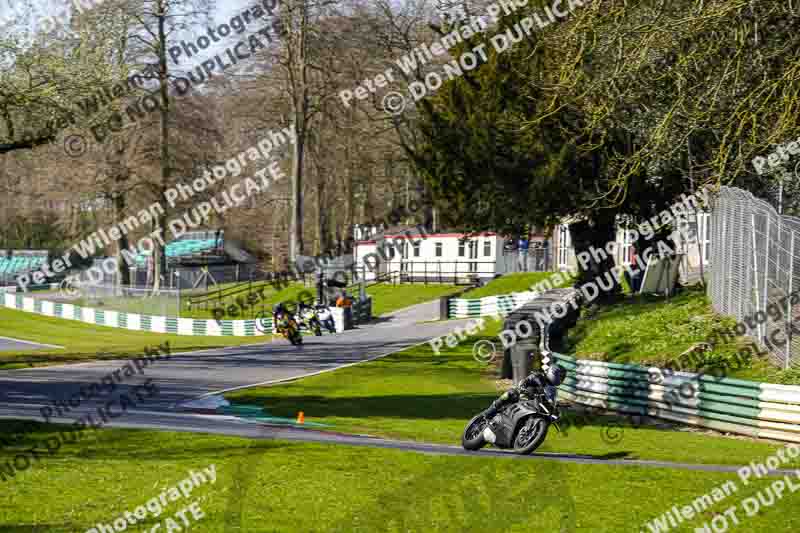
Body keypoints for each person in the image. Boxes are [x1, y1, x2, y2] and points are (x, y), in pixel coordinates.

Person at [483, 364, 567, 418]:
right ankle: (489, 411)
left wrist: (557, 404)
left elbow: (551, 400)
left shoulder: (553, 390)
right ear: (553, 373)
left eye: (562, 377)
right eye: (560, 376)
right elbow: (529, 379)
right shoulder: (540, 376)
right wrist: (523, 385)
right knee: (510, 393)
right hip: (523, 395)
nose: (561, 379)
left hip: (534, 405)